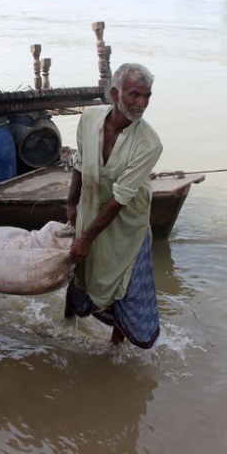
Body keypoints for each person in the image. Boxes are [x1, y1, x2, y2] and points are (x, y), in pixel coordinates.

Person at [64, 63, 163, 348]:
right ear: (114, 93)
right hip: (91, 210)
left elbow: (120, 199)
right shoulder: (90, 118)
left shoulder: (149, 143)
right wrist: (72, 203)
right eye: (134, 95)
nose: (141, 104)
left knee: (126, 288)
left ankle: (114, 348)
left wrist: (85, 238)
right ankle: (66, 325)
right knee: (78, 275)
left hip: (127, 224)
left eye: (147, 96)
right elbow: (80, 162)